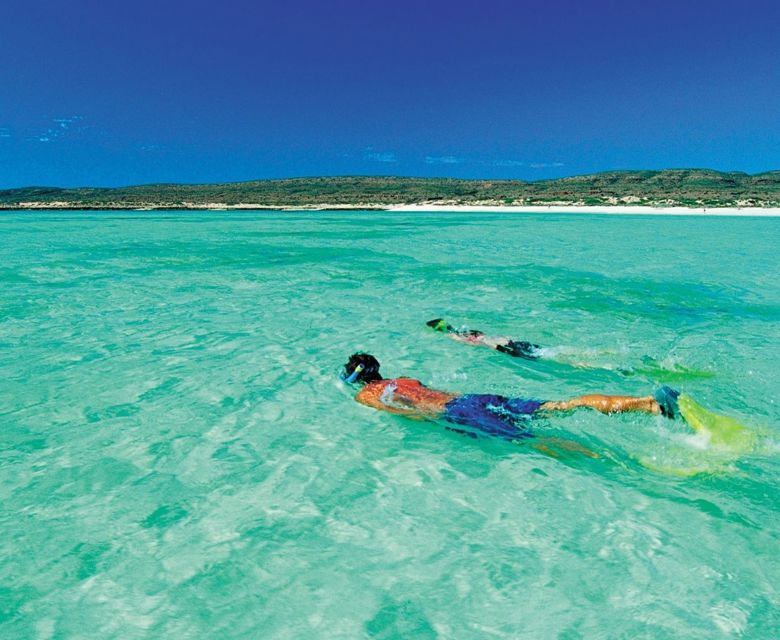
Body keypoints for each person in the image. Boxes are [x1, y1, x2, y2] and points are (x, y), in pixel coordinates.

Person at [340, 352, 680, 445]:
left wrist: (436, 423)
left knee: (537, 441)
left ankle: (599, 458)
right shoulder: (405, 378)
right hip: (472, 398)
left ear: (355, 378)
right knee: (559, 406)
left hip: (458, 415)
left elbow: (407, 413)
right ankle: (650, 403)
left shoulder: (366, 396)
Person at [426, 318, 541, 360]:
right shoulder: (470, 334)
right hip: (515, 343)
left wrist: (506, 352)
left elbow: (491, 344)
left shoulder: (478, 339)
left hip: (510, 347)